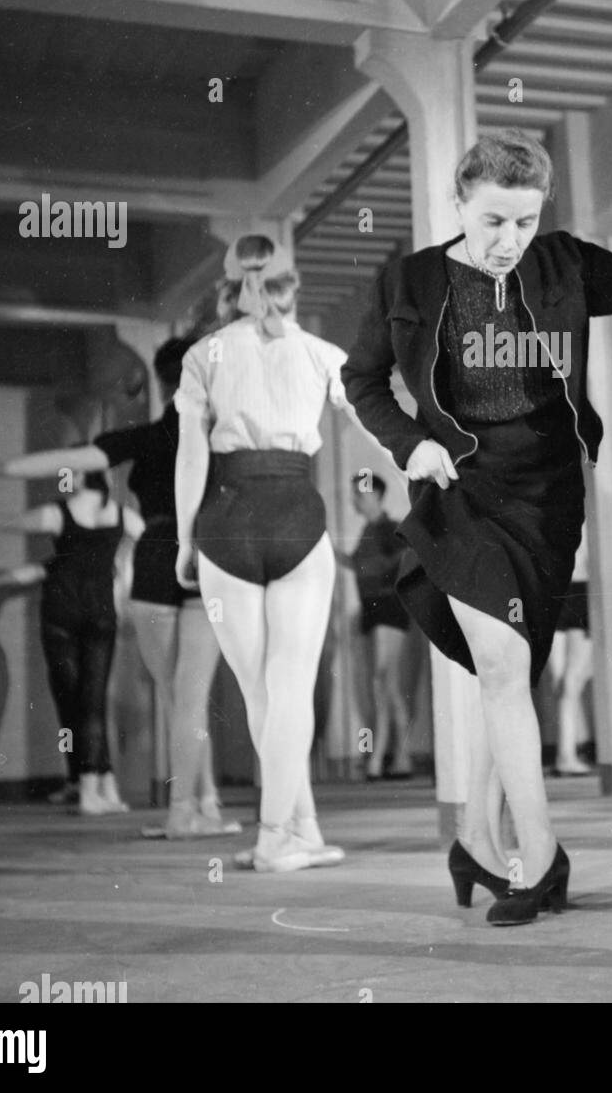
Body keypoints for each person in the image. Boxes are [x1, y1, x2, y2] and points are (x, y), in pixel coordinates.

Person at [342, 128, 612, 925]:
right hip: (461, 489)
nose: (510, 241)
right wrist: (411, 444)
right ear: (459, 202)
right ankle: (539, 859)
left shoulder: (567, 261)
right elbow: (360, 378)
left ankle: (473, 837)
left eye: (525, 222)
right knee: (503, 664)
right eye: (494, 220)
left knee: (515, 671)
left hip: (548, 495)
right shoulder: (408, 280)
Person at [0, 337, 237, 838]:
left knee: (176, 696)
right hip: (205, 560)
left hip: (157, 565)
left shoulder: (147, 438)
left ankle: (196, 805)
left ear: (163, 383)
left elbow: (70, 458)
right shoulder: (222, 435)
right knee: (190, 696)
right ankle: (202, 803)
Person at [174, 234, 350, 874]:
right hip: (296, 514)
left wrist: (184, 539)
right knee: (290, 690)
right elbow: (377, 424)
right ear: (292, 284)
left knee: (260, 697)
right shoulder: (324, 354)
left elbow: (191, 455)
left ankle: (300, 826)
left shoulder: (204, 353)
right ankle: (280, 834)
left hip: (226, 517)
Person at [0, 471, 142, 814]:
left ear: (77, 477)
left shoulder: (60, 515)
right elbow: (150, 546)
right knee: (83, 699)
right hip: (95, 613)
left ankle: (92, 785)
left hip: (65, 613)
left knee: (79, 699)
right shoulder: (122, 517)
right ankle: (89, 782)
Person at [345, 472, 415, 781]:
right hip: (373, 609)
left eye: (360, 493)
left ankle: (387, 756)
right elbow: (360, 565)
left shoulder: (389, 528)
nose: (355, 499)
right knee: (382, 683)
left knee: (383, 680)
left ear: (376, 495)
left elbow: (401, 560)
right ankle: (397, 757)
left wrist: (364, 566)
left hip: (388, 606)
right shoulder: (368, 531)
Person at [546, 536, 593, 777]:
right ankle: (567, 753)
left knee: (569, 682)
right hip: (560, 588)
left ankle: (567, 753)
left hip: (576, 590)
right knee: (564, 682)